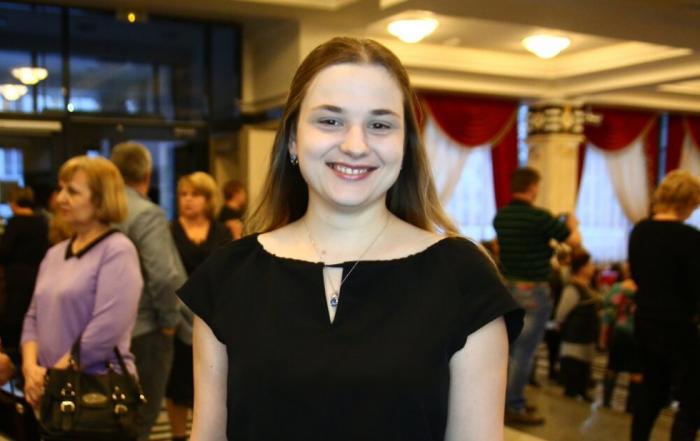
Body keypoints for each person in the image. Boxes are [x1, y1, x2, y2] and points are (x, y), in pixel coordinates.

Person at [177, 37, 523, 441]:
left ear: (406, 146)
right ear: (292, 139)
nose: (355, 146)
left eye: (380, 125)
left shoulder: (464, 280)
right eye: (330, 121)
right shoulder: (228, 278)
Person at [20, 156, 142, 407]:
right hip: (51, 389)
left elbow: (106, 329)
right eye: (61, 189)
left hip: (96, 393)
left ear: (101, 200)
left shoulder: (117, 250)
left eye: (72, 191)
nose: (60, 198)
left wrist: (53, 376)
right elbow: (33, 317)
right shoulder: (55, 253)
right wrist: (30, 368)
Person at [110, 142, 187, 441]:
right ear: (147, 174)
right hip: (145, 329)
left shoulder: (103, 210)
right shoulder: (146, 214)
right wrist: (169, 321)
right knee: (141, 418)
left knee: (113, 417)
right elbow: (164, 275)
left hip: (107, 329)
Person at [493, 166, 581, 425]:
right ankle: (514, 405)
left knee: (508, 350)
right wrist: (572, 225)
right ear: (532, 187)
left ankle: (503, 400)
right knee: (525, 352)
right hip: (534, 290)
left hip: (508, 288)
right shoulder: (539, 217)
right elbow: (574, 243)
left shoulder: (501, 217)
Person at [629, 170, 700, 441]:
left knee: (651, 392)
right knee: (692, 399)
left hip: (646, 321)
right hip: (679, 326)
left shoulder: (639, 231)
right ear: (687, 201)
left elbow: (637, 275)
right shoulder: (690, 238)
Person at [166, 172, 231, 441]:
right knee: (177, 382)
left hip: (213, 313)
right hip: (178, 315)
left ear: (208, 199)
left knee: (210, 380)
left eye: (195, 194)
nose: (188, 200)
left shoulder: (221, 231)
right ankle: (178, 435)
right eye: (183, 194)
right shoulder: (169, 230)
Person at [0, 186, 49, 362]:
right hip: (37, 276)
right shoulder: (42, 222)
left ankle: (14, 360)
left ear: (14, 203)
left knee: (14, 321)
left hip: (16, 279)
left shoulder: (15, 223)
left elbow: (4, 251)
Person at [554, 249, 600, 401]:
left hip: (586, 336)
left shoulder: (587, 286)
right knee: (573, 372)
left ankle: (582, 392)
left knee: (583, 370)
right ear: (581, 268)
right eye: (589, 264)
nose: (592, 267)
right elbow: (561, 313)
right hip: (574, 338)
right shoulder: (572, 288)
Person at [599, 262, 641, 412]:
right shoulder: (647, 291)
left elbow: (608, 315)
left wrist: (602, 337)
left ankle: (606, 401)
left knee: (612, 367)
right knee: (636, 371)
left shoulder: (617, 289)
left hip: (619, 333)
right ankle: (631, 407)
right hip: (638, 336)